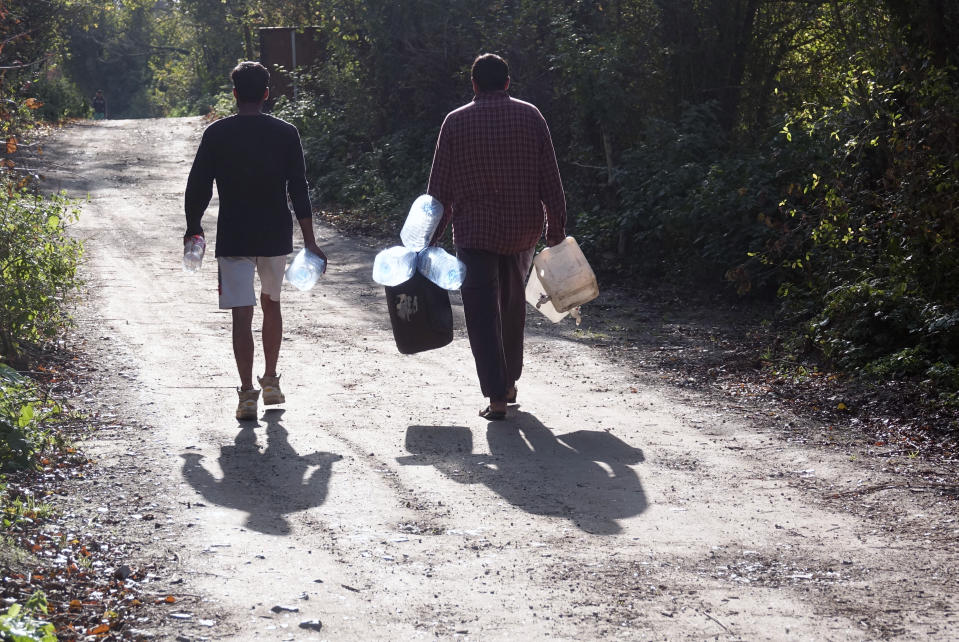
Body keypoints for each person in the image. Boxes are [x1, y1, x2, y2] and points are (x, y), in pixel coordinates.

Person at [184, 61, 327, 420]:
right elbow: (298, 188)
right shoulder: (285, 133)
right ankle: (271, 381)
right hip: (274, 234)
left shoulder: (217, 134)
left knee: (240, 315)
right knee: (272, 305)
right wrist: (310, 241)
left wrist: (193, 226)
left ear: (234, 94)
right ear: (266, 93)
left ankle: (247, 394)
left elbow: (198, 184)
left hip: (234, 235)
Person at [426, 53, 566, 421]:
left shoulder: (455, 122)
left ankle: (497, 396)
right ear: (507, 82)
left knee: (481, 313)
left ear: (473, 84)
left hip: (474, 232)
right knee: (511, 306)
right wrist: (556, 227)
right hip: (523, 229)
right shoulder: (530, 115)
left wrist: (430, 239)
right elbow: (550, 177)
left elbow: (438, 189)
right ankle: (509, 382)